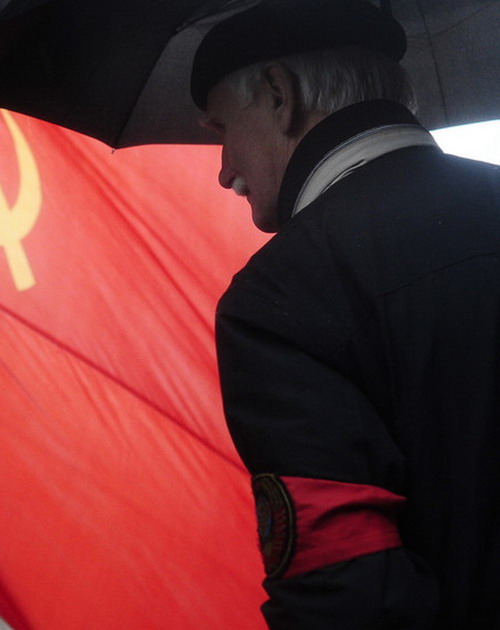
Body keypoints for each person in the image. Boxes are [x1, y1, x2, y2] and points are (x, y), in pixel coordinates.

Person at [190, 1, 500, 628]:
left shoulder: (279, 299)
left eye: (221, 129)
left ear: (280, 93)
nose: (224, 172)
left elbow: (350, 596)